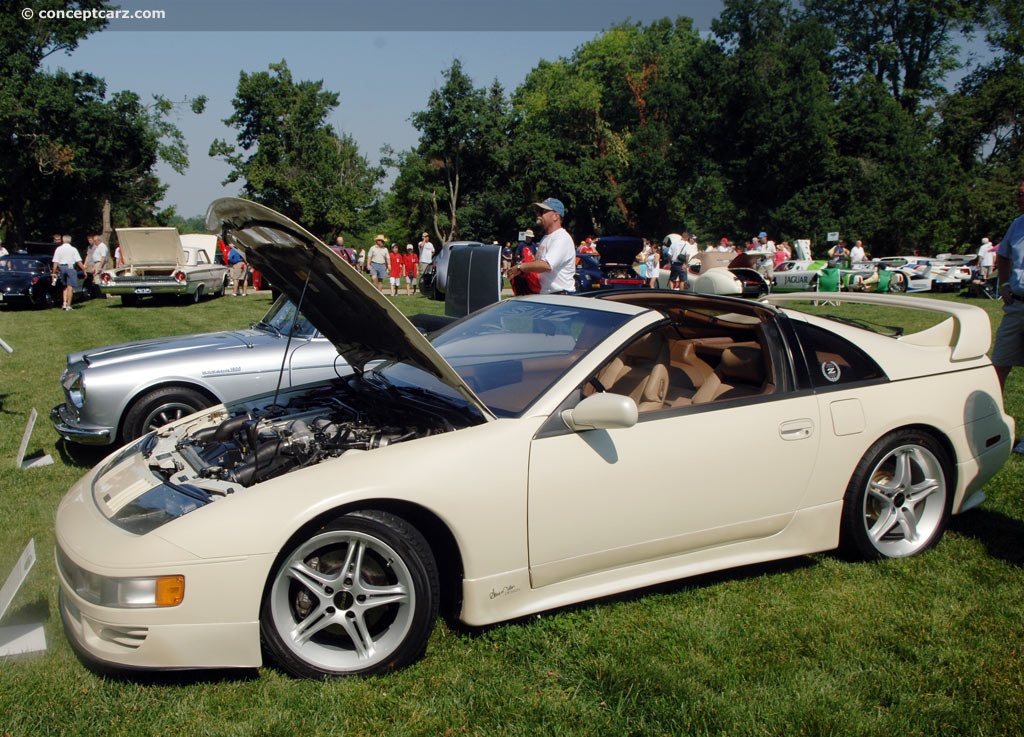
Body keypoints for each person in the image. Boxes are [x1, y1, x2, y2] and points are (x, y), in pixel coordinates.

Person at [992, 178, 1024, 454]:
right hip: (1016, 307)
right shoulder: (1017, 224)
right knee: (999, 365)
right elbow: (1002, 257)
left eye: (1023, 194)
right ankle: (995, 425)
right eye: (1018, 192)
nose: (1018, 197)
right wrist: (1003, 285)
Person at [506, 197, 576, 295]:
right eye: (538, 211)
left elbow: (546, 265)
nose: (538, 215)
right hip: (547, 295)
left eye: (543, 211)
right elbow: (540, 266)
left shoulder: (561, 238)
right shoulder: (546, 238)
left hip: (560, 296)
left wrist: (520, 267)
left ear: (555, 216)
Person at [51, 235, 85, 311]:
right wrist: (84, 270)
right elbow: (78, 261)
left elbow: (55, 262)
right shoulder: (73, 249)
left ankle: (64, 303)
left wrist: (53, 273)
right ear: (70, 241)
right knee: (70, 286)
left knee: (65, 286)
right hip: (70, 267)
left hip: (61, 267)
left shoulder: (58, 249)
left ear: (63, 240)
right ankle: (69, 305)